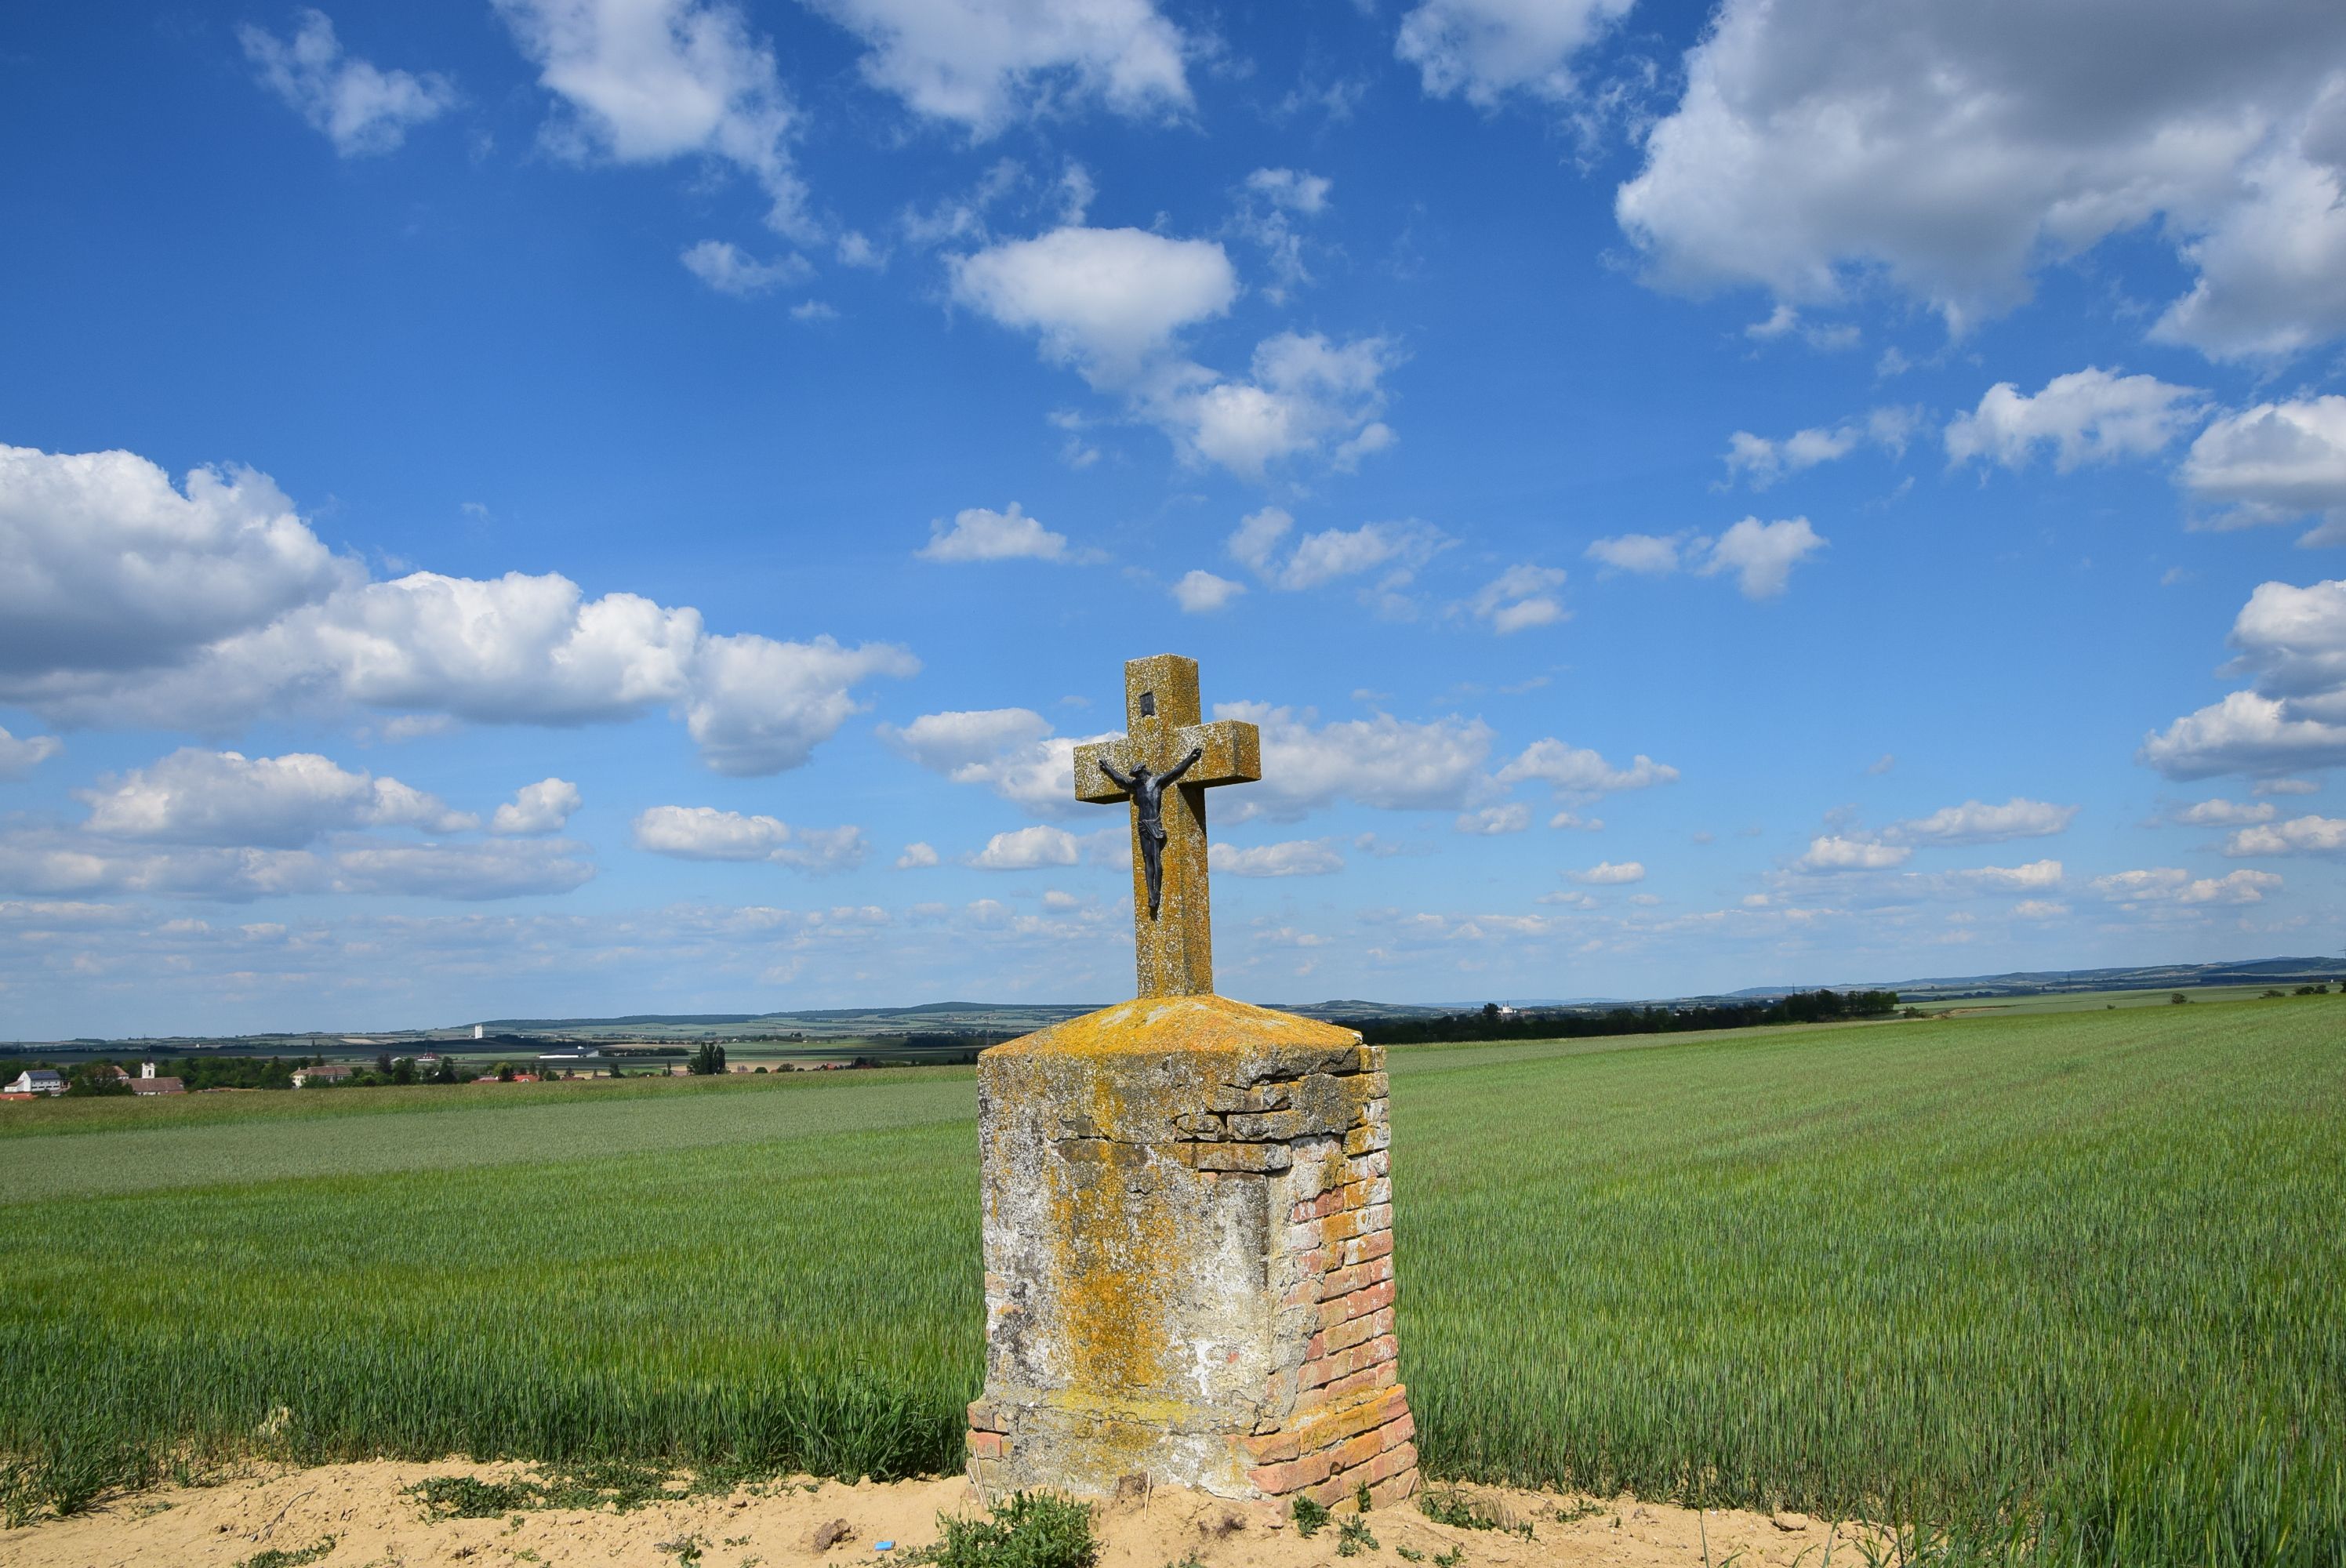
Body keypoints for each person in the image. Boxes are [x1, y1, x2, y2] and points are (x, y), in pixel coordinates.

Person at [1099, 746, 1200, 918]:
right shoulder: (1137, 785)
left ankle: (1157, 891)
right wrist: (1108, 768)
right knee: (1147, 859)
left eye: (1138, 775)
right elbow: (1120, 778)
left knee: (1155, 858)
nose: (1137, 778)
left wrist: (1190, 758)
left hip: (1154, 823)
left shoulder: (1156, 781)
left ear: (1143, 771)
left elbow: (1176, 771)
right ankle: (1150, 893)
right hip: (1142, 824)